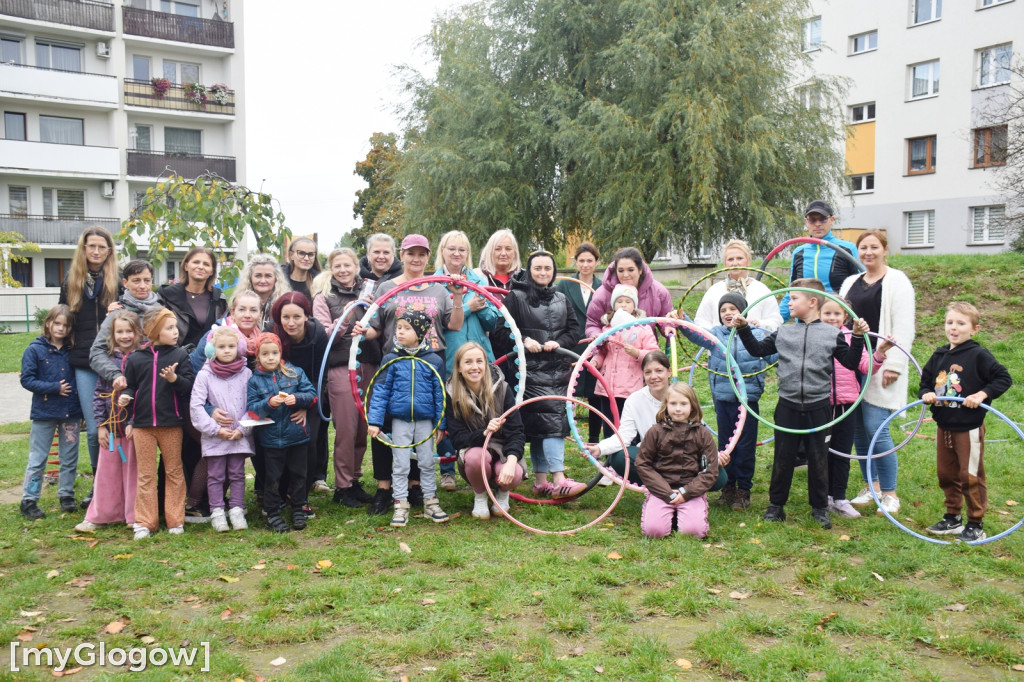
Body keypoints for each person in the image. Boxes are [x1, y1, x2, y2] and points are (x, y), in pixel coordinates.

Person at [735, 278, 868, 529]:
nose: (789, 302)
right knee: (783, 456)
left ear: (812, 301)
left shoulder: (832, 334)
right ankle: (776, 506)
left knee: (819, 458)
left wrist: (859, 337)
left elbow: (851, 362)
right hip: (788, 405)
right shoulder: (784, 331)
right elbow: (757, 350)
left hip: (819, 406)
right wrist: (743, 328)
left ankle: (819, 508)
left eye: (794, 298)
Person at [355, 233, 465, 514]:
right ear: (401, 255)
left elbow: (453, 325)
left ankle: (415, 487)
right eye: (410, 253)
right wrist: (363, 332)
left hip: (430, 363)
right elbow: (376, 328)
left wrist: (457, 296)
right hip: (395, 363)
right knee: (386, 423)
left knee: (422, 421)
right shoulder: (386, 287)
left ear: (428, 257)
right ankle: (384, 488)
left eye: (421, 254)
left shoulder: (439, 289)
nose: (416, 259)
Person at [920, 302, 1012, 543]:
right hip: (944, 425)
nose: (954, 327)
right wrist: (926, 393)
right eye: (950, 322)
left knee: (969, 475)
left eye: (961, 323)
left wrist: (981, 394)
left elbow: (1003, 378)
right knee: (945, 473)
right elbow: (925, 382)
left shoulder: (978, 355)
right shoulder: (939, 355)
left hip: (968, 427)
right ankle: (953, 517)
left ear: (974, 329)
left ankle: (975, 523)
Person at [840, 229, 916, 515]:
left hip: (882, 362)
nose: (868, 252)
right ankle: (870, 486)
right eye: (863, 247)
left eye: (874, 247)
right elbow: (839, 319)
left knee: (877, 428)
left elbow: (904, 326)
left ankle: (890, 492)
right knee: (859, 430)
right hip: (853, 362)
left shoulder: (897, 281)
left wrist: (895, 364)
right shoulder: (850, 282)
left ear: (885, 250)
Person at [682, 292, 776, 511]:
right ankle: (728, 485)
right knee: (725, 444)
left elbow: (774, 356)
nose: (727, 313)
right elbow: (696, 334)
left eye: (732, 309)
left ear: (743, 311)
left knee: (745, 445)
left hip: (747, 399)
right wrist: (682, 320)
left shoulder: (756, 334)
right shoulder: (716, 334)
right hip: (723, 398)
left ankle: (744, 489)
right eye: (723, 310)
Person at [503, 251, 583, 499]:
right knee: (550, 422)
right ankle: (559, 478)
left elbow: (574, 331)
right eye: (537, 268)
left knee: (544, 423)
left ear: (554, 271)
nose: (543, 273)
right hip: (529, 371)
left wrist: (558, 343)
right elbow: (501, 330)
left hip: (558, 370)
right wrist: (523, 340)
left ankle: (541, 481)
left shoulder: (561, 298)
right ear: (529, 271)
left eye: (547, 268)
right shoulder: (515, 297)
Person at [366, 310, 450, 527]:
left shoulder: (434, 361)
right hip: (400, 421)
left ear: (420, 333)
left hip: (425, 422)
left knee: (426, 462)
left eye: (407, 328)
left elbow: (440, 395)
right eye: (399, 328)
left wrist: (440, 425)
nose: (400, 332)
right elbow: (380, 391)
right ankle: (400, 504)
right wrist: (375, 421)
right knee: (401, 463)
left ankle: (430, 501)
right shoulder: (391, 359)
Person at [118, 307, 195, 539]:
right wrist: (126, 397)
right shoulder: (136, 358)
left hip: (171, 424)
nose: (175, 332)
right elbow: (131, 386)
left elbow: (188, 387)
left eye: (175, 327)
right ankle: (145, 522)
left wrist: (174, 379)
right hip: (143, 426)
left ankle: (175, 520)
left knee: (174, 472)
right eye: (169, 328)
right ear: (154, 331)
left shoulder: (180, 356)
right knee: (146, 475)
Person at [59, 226, 121, 507]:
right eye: (91, 246)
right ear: (83, 249)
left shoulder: (118, 280)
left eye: (101, 247)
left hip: (114, 360)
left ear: (109, 251)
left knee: (118, 423)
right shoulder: (71, 280)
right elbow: (61, 320)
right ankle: (98, 485)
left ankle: (119, 480)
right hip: (84, 362)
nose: (96, 251)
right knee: (96, 428)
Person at [433, 230, 499, 491]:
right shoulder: (434, 284)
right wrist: (470, 308)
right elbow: (435, 323)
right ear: (442, 251)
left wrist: (482, 310)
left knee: (485, 408)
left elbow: (492, 321)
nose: (456, 254)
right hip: (451, 355)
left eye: (462, 249)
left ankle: (486, 461)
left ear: (468, 253)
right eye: (451, 248)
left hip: (482, 356)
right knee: (451, 409)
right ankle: (448, 470)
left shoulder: (478, 280)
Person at [311, 249, 377, 507]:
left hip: (368, 364)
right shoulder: (324, 296)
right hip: (340, 367)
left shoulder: (370, 292)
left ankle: (355, 479)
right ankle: (343, 485)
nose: (343, 270)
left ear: (355, 267)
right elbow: (325, 335)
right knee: (347, 429)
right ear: (331, 268)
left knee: (362, 427)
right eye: (337, 266)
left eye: (347, 265)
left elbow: (380, 325)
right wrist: (346, 316)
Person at [818, 296, 892, 519]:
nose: (832, 318)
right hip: (819, 403)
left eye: (837, 314)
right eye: (827, 313)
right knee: (821, 452)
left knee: (841, 452)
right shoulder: (813, 335)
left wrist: (880, 352)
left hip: (846, 404)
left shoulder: (852, 338)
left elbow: (865, 366)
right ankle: (822, 497)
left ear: (845, 317)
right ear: (818, 314)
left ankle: (839, 497)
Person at [75, 310, 142, 532]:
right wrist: (101, 425)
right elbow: (98, 394)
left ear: (137, 332)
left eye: (129, 331)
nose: (125, 336)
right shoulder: (109, 361)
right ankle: (101, 515)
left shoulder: (142, 359)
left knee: (133, 473)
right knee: (107, 473)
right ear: (112, 335)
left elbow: (144, 395)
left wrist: (134, 421)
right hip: (111, 431)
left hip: (133, 430)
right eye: (119, 332)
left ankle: (134, 515)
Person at [445, 342, 526, 520]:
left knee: (514, 472)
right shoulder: (453, 394)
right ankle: (480, 496)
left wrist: (511, 462)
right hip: (475, 451)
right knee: (476, 457)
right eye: (468, 362)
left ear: (486, 364)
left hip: (503, 450)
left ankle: (502, 494)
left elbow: (516, 432)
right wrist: (484, 433)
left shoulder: (503, 389)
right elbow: (457, 439)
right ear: (459, 368)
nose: (474, 367)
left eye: (479, 361)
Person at [246, 332, 317, 532]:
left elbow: (312, 395)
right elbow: (252, 410)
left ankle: (298, 508)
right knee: (272, 478)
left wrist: (298, 399)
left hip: (297, 436)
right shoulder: (254, 381)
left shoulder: (295, 372)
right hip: (271, 440)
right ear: (257, 356)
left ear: (280, 353)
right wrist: (269, 403)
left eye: (274, 353)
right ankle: (272, 513)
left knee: (299, 475)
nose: (271, 358)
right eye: (265, 354)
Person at [19, 305, 82, 520]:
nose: (61, 328)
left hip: (71, 412)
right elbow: (27, 379)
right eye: (57, 323)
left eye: (66, 325)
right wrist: (54, 388)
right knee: (38, 457)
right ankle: (29, 499)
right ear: (48, 323)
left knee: (69, 456)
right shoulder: (34, 350)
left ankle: (66, 495)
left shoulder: (74, 351)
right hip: (44, 412)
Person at [190, 325, 254, 533]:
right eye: (221, 347)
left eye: (231, 346)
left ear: (239, 348)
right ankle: (217, 511)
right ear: (212, 349)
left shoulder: (247, 374)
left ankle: (237, 509)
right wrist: (215, 430)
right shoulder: (204, 375)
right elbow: (196, 406)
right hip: (215, 436)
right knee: (215, 475)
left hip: (238, 435)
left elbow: (253, 405)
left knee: (237, 474)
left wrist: (242, 429)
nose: (227, 351)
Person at [634, 383, 719, 539]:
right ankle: (664, 512)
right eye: (673, 404)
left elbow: (710, 470)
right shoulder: (655, 432)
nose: (678, 409)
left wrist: (687, 492)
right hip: (661, 490)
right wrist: (666, 492)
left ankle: (686, 513)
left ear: (692, 406)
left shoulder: (702, 434)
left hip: (691, 491)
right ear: (666, 406)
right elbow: (643, 464)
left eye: (683, 404)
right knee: (654, 532)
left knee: (693, 532)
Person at [271, 292, 328, 516]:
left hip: (309, 393)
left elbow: (320, 375)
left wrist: (305, 404)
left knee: (308, 441)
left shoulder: (318, 334)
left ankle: (301, 496)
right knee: (277, 442)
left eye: (297, 317)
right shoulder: (272, 332)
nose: (291, 323)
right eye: (286, 317)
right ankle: (277, 493)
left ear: (306, 316)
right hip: (278, 394)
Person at [591, 284, 659, 438]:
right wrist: (595, 362)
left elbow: (654, 354)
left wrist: (637, 353)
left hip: (630, 387)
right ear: (613, 305)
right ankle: (611, 450)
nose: (623, 305)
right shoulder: (608, 329)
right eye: (619, 301)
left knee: (629, 425)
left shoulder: (643, 328)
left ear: (634, 305)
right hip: (607, 387)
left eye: (628, 302)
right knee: (609, 425)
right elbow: (603, 353)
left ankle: (631, 451)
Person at [779, 201, 858, 321]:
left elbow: (858, 288)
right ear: (806, 222)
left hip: (835, 321)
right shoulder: (799, 252)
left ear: (831, 220)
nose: (818, 224)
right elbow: (791, 292)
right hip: (805, 322)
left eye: (823, 219)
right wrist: (776, 321)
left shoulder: (846, 249)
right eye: (813, 220)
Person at [556, 242, 603, 442]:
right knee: (568, 391)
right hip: (572, 344)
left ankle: (593, 438)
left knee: (595, 394)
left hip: (594, 345)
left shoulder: (602, 287)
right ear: (576, 262)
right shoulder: (565, 285)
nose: (585, 265)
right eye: (581, 260)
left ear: (596, 262)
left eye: (589, 261)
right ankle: (563, 433)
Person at [89, 260, 162, 387]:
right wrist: (115, 374)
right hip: (122, 384)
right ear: (125, 283)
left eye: (147, 280)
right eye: (136, 281)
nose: (142, 286)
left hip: (154, 384)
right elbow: (97, 352)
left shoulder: (161, 313)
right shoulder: (116, 313)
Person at [693, 239, 782, 332]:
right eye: (730, 259)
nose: (735, 263)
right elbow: (701, 320)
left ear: (748, 261)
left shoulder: (761, 290)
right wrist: (715, 335)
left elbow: (775, 320)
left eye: (739, 258)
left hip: (754, 340)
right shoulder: (714, 291)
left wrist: (759, 324)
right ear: (725, 263)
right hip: (719, 341)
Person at [586, 247, 673, 340]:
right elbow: (592, 324)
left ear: (640, 270)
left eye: (631, 270)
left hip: (646, 346)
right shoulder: (602, 295)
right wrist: (598, 337)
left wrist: (668, 327)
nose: (625, 275)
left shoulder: (658, 292)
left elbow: (666, 318)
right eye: (621, 271)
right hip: (612, 347)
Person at [157, 247, 227, 350]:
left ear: (212, 271)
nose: (200, 267)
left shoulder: (219, 299)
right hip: (174, 355)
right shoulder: (167, 296)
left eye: (206, 264)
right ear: (186, 266)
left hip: (210, 357)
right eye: (196, 262)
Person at [238, 254, 290, 332]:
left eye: (268, 276)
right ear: (250, 278)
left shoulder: (286, 305)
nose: (263, 281)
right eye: (258, 276)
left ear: (276, 278)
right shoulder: (238, 303)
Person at [282, 236, 322, 302]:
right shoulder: (279, 281)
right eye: (301, 253)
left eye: (311, 254)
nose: (306, 258)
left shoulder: (321, 284)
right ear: (291, 255)